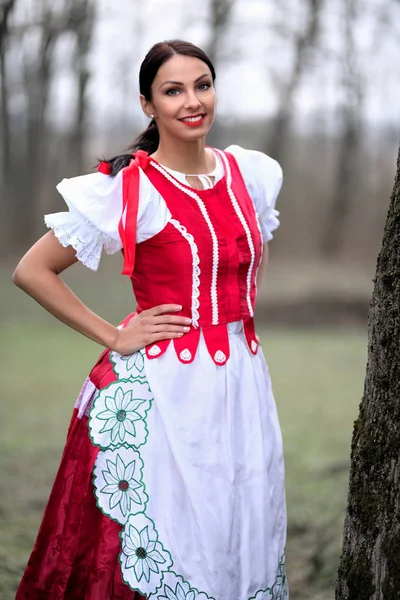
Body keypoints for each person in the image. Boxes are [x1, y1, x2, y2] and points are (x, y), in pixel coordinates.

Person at [13, 39, 287, 600]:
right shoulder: (129, 188)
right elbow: (32, 270)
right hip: (163, 391)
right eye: (173, 90)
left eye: (202, 85)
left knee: (241, 529)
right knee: (172, 541)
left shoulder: (249, 176)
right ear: (148, 105)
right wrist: (115, 334)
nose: (192, 102)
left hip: (243, 384)